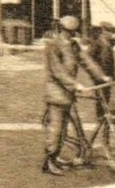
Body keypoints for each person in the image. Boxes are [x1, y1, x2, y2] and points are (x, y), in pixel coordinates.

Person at [40, 14, 107, 175]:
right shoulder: (53, 46)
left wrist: (102, 75)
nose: (72, 34)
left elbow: (87, 61)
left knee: (66, 128)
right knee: (57, 129)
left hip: (69, 94)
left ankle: (60, 157)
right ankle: (49, 162)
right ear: (62, 29)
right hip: (57, 93)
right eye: (69, 31)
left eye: (74, 32)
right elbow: (58, 71)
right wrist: (75, 84)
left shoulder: (74, 45)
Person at [87, 24, 115, 98]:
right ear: (104, 31)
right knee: (103, 94)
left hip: (104, 71)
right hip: (102, 71)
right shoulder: (100, 43)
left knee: (104, 93)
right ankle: (101, 109)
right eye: (111, 32)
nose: (112, 34)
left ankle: (101, 109)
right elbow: (90, 57)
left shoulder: (105, 42)